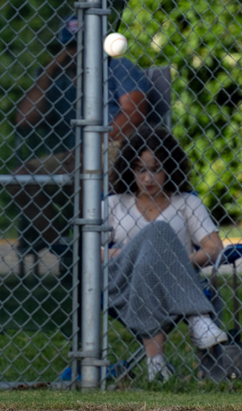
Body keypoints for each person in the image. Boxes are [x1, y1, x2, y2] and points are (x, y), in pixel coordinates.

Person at [11, 14, 156, 268]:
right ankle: (64, 248)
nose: (75, 53)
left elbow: (134, 113)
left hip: (116, 148)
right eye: (68, 47)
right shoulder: (57, 78)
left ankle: (88, 251)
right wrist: (49, 71)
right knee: (20, 178)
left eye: (82, 46)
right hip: (70, 154)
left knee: (83, 168)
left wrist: (93, 143)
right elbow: (24, 118)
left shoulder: (117, 68)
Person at [103, 129, 242, 382]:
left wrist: (171, 263)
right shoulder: (115, 203)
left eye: (156, 169)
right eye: (139, 170)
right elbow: (91, 251)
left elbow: (213, 248)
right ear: (130, 169)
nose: (147, 178)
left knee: (150, 266)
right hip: (122, 282)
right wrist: (130, 252)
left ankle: (155, 365)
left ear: (170, 168)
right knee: (158, 231)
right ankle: (198, 318)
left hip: (170, 284)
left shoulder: (186, 202)